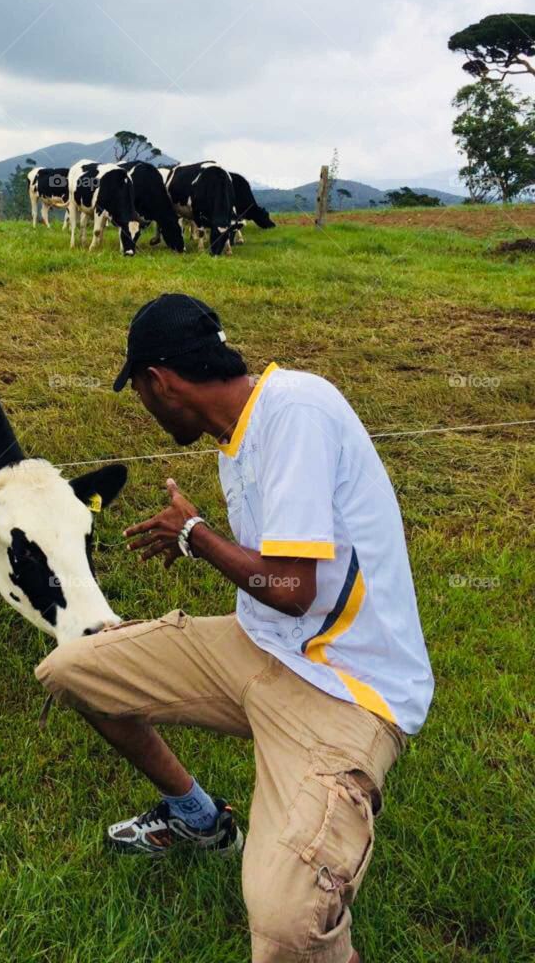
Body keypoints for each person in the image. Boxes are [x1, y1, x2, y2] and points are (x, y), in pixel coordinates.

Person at [36, 294, 433, 963]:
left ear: (159, 382)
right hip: (258, 646)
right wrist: (200, 541)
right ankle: (198, 819)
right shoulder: (239, 434)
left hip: (345, 687)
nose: (145, 408)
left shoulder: (296, 412)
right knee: (73, 671)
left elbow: (293, 588)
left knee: (283, 925)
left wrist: (194, 535)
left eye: (138, 393)